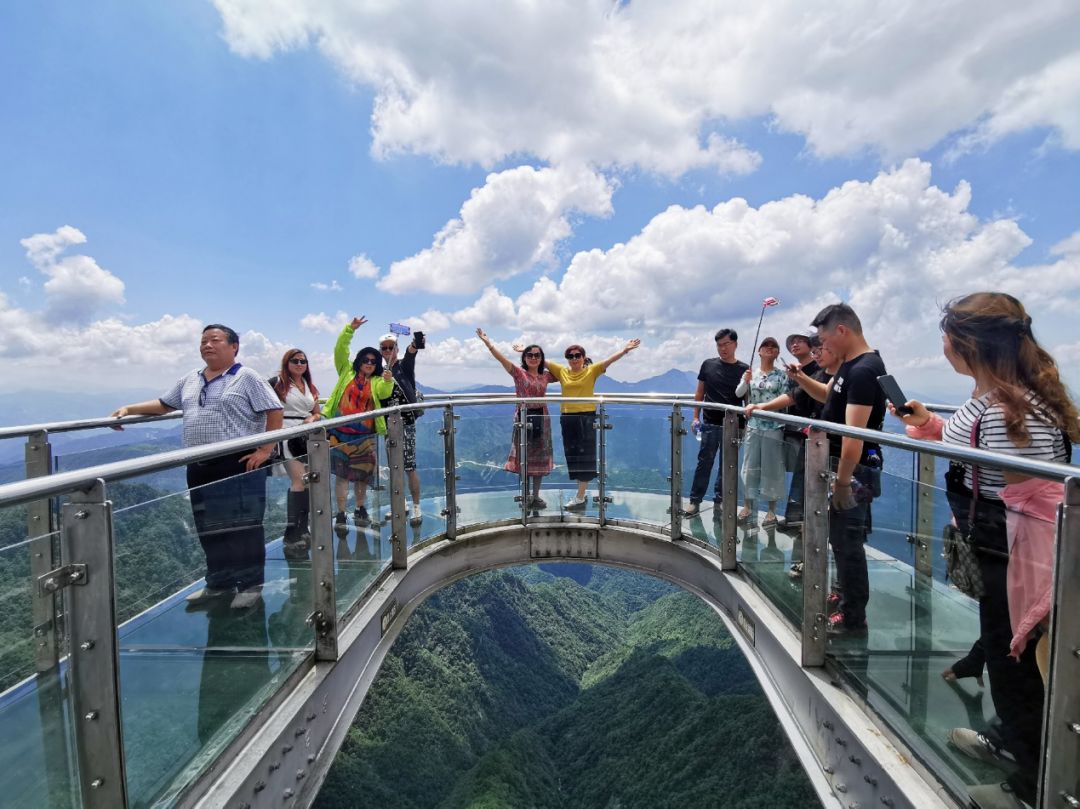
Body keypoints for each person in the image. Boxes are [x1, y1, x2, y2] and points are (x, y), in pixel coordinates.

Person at [891, 292, 1077, 809]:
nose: (943, 345)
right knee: (1008, 656)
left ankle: (1030, 789)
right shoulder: (1015, 400)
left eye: (946, 336)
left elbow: (1037, 503)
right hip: (1010, 553)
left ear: (964, 344)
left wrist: (1037, 593)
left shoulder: (1004, 415)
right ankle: (1008, 742)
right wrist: (932, 426)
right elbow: (986, 459)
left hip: (1016, 560)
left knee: (1014, 665)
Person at [111, 324, 283, 610]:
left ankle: (250, 586)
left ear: (234, 346)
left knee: (244, 526)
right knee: (208, 526)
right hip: (199, 463)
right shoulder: (190, 379)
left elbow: (273, 409)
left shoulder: (246, 377)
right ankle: (219, 584)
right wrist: (129, 409)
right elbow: (165, 405)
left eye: (215, 340)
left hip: (238, 461)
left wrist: (267, 448)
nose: (207, 345)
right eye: (203, 341)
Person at [809, 303, 887, 637]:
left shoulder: (864, 370)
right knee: (841, 539)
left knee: (848, 542)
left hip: (854, 471)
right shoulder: (849, 367)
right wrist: (801, 380)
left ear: (842, 330)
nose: (823, 346)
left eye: (825, 338)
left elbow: (854, 435)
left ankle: (853, 617)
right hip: (844, 467)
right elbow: (830, 395)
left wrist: (842, 483)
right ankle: (843, 594)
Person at [747, 336, 838, 578]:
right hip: (808, 441)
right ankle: (803, 560)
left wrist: (762, 407)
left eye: (818, 348)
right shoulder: (808, 372)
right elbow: (796, 397)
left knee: (815, 502)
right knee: (802, 500)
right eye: (791, 344)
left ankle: (811, 563)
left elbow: (809, 397)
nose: (795, 346)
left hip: (826, 444)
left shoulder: (824, 372)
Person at [546, 339, 641, 510]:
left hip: (586, 417)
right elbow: (542, 359)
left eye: (577, 355)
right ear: (567, 358)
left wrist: (625, 350)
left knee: (585, 455)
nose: (574, 359)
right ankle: (580, 495)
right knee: (572, 454)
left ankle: (580, 496)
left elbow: (609, 360)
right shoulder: (561, 372)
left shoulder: (592, 370)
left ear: (583, 357)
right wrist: (525, 351)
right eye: (570, 356)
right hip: (567, 417)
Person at [324, 317, 395, 526]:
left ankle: (360, 508)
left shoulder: (377, 381)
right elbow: (340, 350)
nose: (370, 364)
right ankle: (341, 513)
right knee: (342, 475)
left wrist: (388, 380)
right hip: (339, 433)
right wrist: (349, 330)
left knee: (363, 475)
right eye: (366, 360)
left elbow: (383, 393)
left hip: (365, 435)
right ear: (359, 360)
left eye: (374, 362)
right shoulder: (346, 371)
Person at [477, 329, 556, 507]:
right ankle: (526, 496)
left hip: (542, 419)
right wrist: (488, 342)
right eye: (530, 355)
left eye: (537, 355)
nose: (533, 358)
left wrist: (525, 351)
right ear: (524, 358)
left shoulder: (546, 375)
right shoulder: (519, 373)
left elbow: (561, 372)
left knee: (540, 459)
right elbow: (501, 359)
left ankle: (536, 496)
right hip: (524, 418)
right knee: (525, 457)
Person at [685, 328, 749, 517]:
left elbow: (747, 399)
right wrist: (695, 417)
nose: (723, 348)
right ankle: (695, 501)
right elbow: (700, 393)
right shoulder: (708, 365)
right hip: (710, 423)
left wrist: (746, 424)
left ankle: (719, 502)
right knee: (704, 462)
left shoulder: (744, 370)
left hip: (735, 424)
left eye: (726, 344)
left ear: (735, 344)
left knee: (727, 465)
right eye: (719, 345)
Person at [270, 349, 321, 559]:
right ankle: (291, 533)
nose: (300, 364)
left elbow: (317, 410)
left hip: (305, 436)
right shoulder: (277, 383)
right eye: (295, 360)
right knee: (299, 481)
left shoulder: (309, 386)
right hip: (287, 434)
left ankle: (303, 527)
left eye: (303, 361)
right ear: (287, 362)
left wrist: (313, 419)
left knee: (307, 481)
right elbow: (265, 408)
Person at [734, 337, 788, 526]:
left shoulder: (782, 376)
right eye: (766, 345)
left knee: (772, 468)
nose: (770, 349)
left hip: (774, 427)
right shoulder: (751, 373)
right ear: (759, 350)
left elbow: (785, 398)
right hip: (754, 426)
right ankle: (747, 505)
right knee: (750, 467)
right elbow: (739, 393)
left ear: (777, 353)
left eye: (774, 346)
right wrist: (744, 380)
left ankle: (771, 511)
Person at [379, 331, 424, 524]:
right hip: (388, 423)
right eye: (385, 348)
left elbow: (411, 353)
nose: (388, 350)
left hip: (406, 423)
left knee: (409, 466)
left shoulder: (403, 366)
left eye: (392, 347)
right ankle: (400, 504)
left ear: (397, 349)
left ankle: (416, 507)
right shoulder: (379, 374)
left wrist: (415, 343)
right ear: (381, 351)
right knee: (394, 467)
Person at [780, 333, 820, 526]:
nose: (794, 345)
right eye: (791, 343)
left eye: (799, 341)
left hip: (812, 430)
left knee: (810, 476)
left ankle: (801, 521)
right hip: (797, 430)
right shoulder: (796, 371)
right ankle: (797, 519)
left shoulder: (817, 369)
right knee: (801, 473)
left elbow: (795, 397)